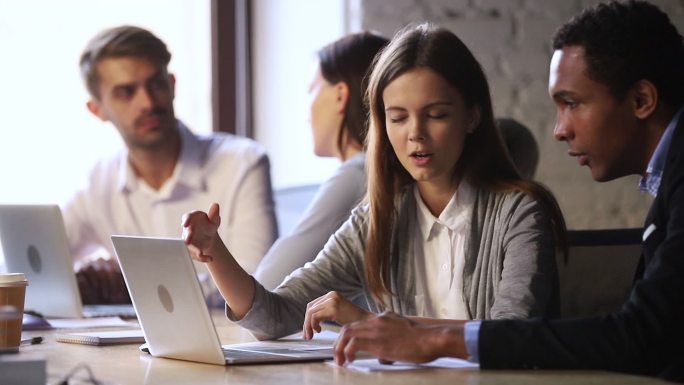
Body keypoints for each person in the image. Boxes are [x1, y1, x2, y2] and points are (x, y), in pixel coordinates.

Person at [332, 1, 684, 382]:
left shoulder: (521, 211)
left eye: (571, 104)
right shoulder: (668, 180)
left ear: (641, 101)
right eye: (397, 117)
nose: (559, 130)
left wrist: (436, 339)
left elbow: (640, 336)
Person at [181, 23, 567, 340]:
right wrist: (215, 252)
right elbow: (273, 317)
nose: (416, 134)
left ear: (472, 117)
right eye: (398, 118)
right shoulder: (378, 218)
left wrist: (375, 326)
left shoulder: (520, 213)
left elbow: (510, 336)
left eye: (436, 114)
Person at [65, 25, 278, 305]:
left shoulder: (242, 163)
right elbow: (34, 269)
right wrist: (80, 277)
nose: (148, 102)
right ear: (97, 110)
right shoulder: (99, 181)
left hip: (229, 344)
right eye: (127, 92)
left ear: (173, 84)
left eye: (156, 84)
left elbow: (256, 286)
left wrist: (131, 287)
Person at [254, 32, 389, 291]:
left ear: (340, 95)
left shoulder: (357, 174)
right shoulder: (375, 172)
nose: (307, 113)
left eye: (312, 90)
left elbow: (267, 284)